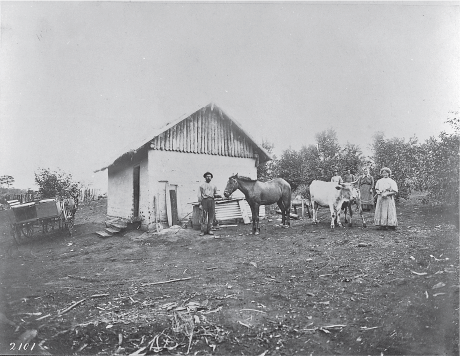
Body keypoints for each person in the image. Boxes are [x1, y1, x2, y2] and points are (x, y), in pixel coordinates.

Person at [198, 172, 221, 236]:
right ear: (205, 177)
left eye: (210, 176)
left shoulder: (214, 185)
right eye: (207, 176)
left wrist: (219, 196)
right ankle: (203, 231)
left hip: (211, 201)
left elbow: (215, 193)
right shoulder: (201, 185)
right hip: (204, 201)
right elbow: (199, 195)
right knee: (203, 216)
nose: (208, 177)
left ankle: (210, 230)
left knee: (211, 216)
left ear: (211, 178)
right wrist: (200, 203)